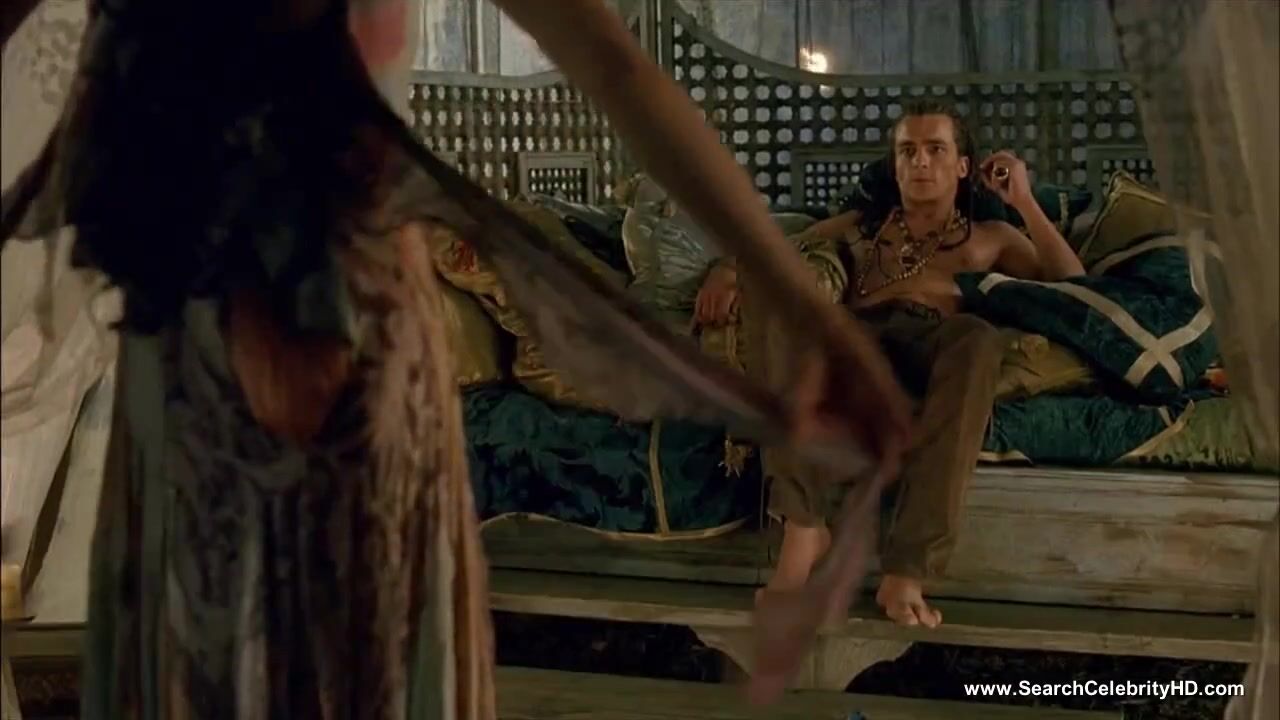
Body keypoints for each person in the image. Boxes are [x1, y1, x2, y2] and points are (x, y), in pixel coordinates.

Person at [0, 0, 910, 717]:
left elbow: (616, 64)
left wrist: (804, 306)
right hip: (205, 338)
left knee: (362, 647)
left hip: (351, 328)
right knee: (211, 644)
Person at [696, 100, 1085, 629]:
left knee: (978, 338)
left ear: (962, 166)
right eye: (908, 151)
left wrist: (1023, 200)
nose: (920, 161)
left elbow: (1074, 287)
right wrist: (726, 270)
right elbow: (777, 250)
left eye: (935, 150)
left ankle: (907, 570)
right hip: (856, 339)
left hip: (934, 338)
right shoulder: (863, 227)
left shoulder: (990, 237)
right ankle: (803, 526)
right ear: (895, 165)